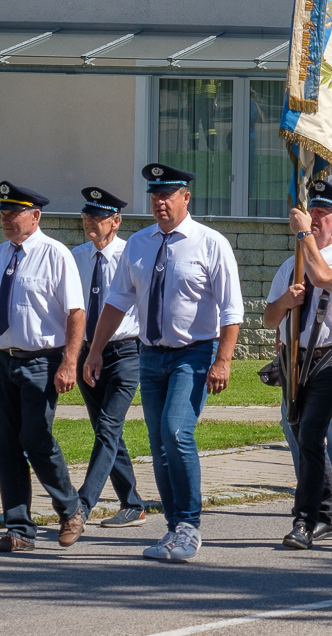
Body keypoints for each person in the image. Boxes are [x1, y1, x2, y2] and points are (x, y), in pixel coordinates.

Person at [86, 162, 243, 563]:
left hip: (194, 354)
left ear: (185, 197)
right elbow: (117, 302)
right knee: (158, 446)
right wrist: (94, 350)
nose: (159, 202)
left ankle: (190, 524)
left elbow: (231, 309)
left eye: (167, 194)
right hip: (150, 355)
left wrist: (223, 360)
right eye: (154, 195)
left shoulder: (210, 243)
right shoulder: (138, 243)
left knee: (177, 433)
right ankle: (173, 529)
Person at [0, 182, 85, 552]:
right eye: (3, 213)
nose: (6, 219)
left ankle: (70, 508)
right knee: (5, 446)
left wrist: (69, 363)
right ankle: (18, 529)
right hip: (5, 361)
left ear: (35, 216)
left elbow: (76, 313)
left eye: (14, 213)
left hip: (43, 361)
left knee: (35, 438)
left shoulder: (55, 255)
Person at [263, 181, 332, 549]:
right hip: (295, 358)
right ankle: (329, 514)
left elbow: (325, 279)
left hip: (330, 357)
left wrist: (304, 233)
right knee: (298, 431)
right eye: (313, 213)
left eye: (322, 215)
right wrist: (285, 302)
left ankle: (305, 520)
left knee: (312, 434)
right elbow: (268, 319)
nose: (315, 219)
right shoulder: (291, 264)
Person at [70, 187, 147, 528]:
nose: (91, 222)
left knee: (108, 428)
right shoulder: (75, 257)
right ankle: (132, 502)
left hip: (125, 352)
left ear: (116, 221)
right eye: (87, 215)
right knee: (105, 429)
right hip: (87, 353)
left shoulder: (133, 255)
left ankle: (81, 506)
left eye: (98, 217)